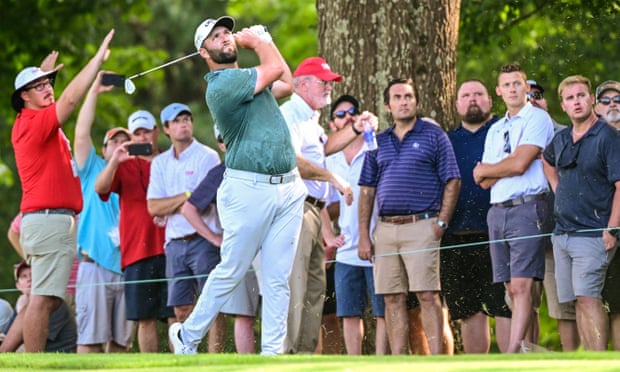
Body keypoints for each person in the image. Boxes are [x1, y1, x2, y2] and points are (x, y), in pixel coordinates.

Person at [168, 16, 307, 356]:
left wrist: (266, 41)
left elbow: (286, 82)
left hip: (288, 188)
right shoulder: (221, 85)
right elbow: (273, 69)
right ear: (204, 53)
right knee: (232, 269)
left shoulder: (250, 81)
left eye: (227, 32)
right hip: (249, 189)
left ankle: (272, 354)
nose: (226, 38)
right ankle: (187, 337)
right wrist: (259, 41)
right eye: (216, 37)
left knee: (277, 279)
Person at [10, 30, 114, 352]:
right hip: (49, 220)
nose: (48, 90)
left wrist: (42, 74)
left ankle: (22, 357)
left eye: (49, 84)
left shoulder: (35, 118)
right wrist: (96, 61)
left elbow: (52, 97)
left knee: (48, 299)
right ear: (24, 97)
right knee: (42, 300)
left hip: (55, 221)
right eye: (39, 87)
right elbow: (70, 100)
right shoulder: (31, 122)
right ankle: (34, 362)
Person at [358, 78, 461, 355]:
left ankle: (437, 360)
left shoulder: (433, 135)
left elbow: (452, 179)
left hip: (423, 225)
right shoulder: (377, 142)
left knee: (427, 295)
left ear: (416, 101)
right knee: (392, 298)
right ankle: (399, 360)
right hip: (386, 229)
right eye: (398, 97)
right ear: (387, 106)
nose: (404, 101)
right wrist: (364, 237)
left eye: (408, 96)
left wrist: (441, 222)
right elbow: (366, 190)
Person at [280, 56, 371, 354]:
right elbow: (292, 162)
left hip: (313, 211)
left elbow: (324, 147)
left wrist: (356, 128)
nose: (330, 87)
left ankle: (304, 355)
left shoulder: (311, 118)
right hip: (296, 208)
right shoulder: (290, 113)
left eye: (331, 82)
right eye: (324, 82)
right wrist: (334, 178)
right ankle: (289, 354)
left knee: (315, 286)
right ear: (302, 84)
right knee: (297, 285)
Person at [473, 63, 554, 353]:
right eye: (506, 85)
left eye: (517, 84)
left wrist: (494, 169)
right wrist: (499, 169)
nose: (512, 89)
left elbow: (520, 164)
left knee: (522, 286)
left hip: (527, 207)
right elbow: (481, 180)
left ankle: (512, 351)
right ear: (498, 91)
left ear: (526, 88)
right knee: (511, 289)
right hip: (497, 211)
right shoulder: (495, 129)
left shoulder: (538, 118)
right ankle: (528, 349)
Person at [542, 75, 620, 351]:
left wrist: (611, 228)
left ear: (591, 100)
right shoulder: (561, 138)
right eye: (570, 98)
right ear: (562, 105)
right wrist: (556, 185)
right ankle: (589, 359)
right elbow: (547, 160)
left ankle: (599, 361)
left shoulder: (609, 137)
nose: (576, 102)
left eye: (581, 96)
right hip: (562, 233)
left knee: (589, 298)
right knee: (576, 300)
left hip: (593, 233)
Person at [146, 103, 225, 352]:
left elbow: (202, 205)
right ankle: (184, 360)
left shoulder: (208, 156)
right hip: (174, 243)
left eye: (187, 119)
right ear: (167, 129)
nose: (184, 124)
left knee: (212, 302)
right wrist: (187, 194)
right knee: (180, 307)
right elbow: (153, 207)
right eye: (177, 120)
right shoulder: (159, 163)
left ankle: (214, 360)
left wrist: (181, 201)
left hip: (204, 239)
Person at [442, 79, 512, 353]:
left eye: (479, 94)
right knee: (469, 310)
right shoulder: (447, 140)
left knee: (503, 304)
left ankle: (510, 366)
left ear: (490, 100)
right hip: (456, 234)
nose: (472, 99)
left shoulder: (502, 131)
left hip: (498, 232)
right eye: (466, 95)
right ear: (457, 103)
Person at [95, 110, 173, 353]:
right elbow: (101, 188)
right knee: (145, 318)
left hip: (173, 247)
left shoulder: (172, 159)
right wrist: (115, 160)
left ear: (156, 132)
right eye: (136, 133)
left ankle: (182, 365)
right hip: (138, 250)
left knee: (178, 315)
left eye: (146, 132)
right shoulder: (124, 164)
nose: (142, 137)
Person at [180, 124, 261, 354]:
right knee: (243, 313)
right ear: (221, 145)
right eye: (226, 138)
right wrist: (215, 238)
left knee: (280, 307)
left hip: (269, 246)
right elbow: (189, 209)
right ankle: (249, 366)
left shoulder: (263, 164)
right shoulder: (219, 173)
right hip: (240, 248)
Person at [73, 72, 135, 353]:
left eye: (127, 142)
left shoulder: (138, 173)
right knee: (91, 341)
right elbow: (81, 132)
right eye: (115, 141)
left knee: (122, 344)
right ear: (106, 147)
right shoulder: (91, 168)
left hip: (128, 267)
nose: (121, 145)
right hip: (95, 264)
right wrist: (94, 93)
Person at [322, 94, 387, 355]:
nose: (348, 117)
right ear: (332, 125)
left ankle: (382, 361)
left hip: (380, 242)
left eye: (353, 112)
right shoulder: (329, 159)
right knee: (349, 313)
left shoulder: (376, 147)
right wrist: (328, 236)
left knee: (383, 310)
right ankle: (355, 362)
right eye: (340, 114)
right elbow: (316, 200)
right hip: (346, 247)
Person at [526, 79, 579, 351]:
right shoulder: (509, 135)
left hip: (556, 232)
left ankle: (572, 361)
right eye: (526, 96)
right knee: (521, 302)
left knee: (563, 305)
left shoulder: (567, 135)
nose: (532, 99)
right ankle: (523, 363)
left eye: (537, 95)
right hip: (521, 232)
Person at [0, 262, 77, 353]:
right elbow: (6, 336)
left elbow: (29, 341)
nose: (29, 279)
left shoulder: (51, 302)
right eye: (24, 276)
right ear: (18, 286)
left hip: (56, 358)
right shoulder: (23, 304)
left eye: (33, 275)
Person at [597, 80, 620, 349]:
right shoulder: (590, 138)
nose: (612, 103)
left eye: (617, 99)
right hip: (601, 230)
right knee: (611, 302)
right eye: (606, 100)